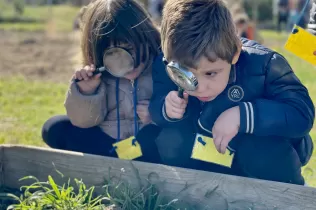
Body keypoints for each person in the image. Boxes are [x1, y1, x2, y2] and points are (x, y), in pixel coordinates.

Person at [149, 0, 315, 185]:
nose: (199, 87)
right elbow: (156, 109)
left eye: (211, 73)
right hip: (209, 151)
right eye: (184, 74)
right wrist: (167, 108)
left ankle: (290, 194)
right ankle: (202, 190)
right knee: (169, 140)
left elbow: (301, 114)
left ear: (235, 52)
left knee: (260, 150)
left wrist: (243, 115)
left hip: (263, 154)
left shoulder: (265, 65)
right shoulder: (166, 63)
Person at [42, 0, 162, 164]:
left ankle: (120, 162)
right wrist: (87, 93)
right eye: (114, 53)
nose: (129, 61)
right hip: (110, 145)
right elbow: (84, 122)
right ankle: (113, 161)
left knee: (164, 137)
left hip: (148, 145)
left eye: (132, 48)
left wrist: (155, 115)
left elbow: (183, 114)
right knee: (55, 127)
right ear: (98, 55)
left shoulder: (162, 67)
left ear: (148, 38)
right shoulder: (95, 77)